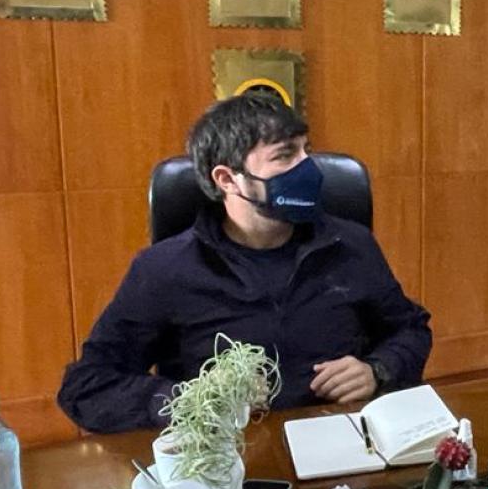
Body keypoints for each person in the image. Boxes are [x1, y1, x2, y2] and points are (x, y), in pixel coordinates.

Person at [57, 95, 431, 432]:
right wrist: (190, 400)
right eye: (285, 156)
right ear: (227, 179)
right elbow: (86, 386)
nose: (308, 168)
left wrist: (378, 370)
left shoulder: (350, 244)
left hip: (338, 443)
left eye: (307, 150)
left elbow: (411, 329)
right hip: (226, 457)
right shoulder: (164, 270)